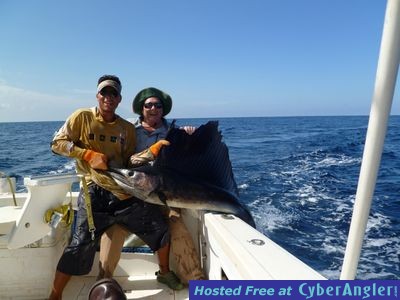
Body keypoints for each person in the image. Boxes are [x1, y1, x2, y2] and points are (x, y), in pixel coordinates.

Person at [49, 76, 171, 299]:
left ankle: (164, 272)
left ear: (119, 99)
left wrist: (151, 151)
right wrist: (86, 154)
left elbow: (129, 163)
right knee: (78, 246)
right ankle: (55, 294)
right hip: (92, 192)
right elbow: (56, 143)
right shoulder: (82, 117)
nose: (108, 97)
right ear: (97, 96)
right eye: (104, 93)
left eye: (113, 94)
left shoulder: (126, 128)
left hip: (122, 192)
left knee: (160, 229)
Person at [98, 87, 205, 287]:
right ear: (141, 108)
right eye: (149, 105)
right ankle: (103, 283)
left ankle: (196, 284)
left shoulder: (174, 133)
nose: (153, 108)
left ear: (163, 110)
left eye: (158, 105)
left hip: (162, 194)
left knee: (176, 224)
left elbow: (190, 160)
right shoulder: (126, 129)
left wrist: (190, 138)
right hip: (132, 191)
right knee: (114, 229)